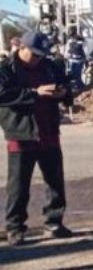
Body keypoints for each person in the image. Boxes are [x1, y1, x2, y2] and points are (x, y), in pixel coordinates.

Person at [0, 31, 72, 246]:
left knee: (55, 181)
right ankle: (15, 227)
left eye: (41, 55)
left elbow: (68, 88)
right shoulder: (6, 70)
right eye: (34, 54)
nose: (38, 59)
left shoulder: (50, 67)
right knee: (19, 184)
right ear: (21, 47)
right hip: (21, 134)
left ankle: (54, 222)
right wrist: (34, 93)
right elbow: (3, 95)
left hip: (48, 131)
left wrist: (63, 93)